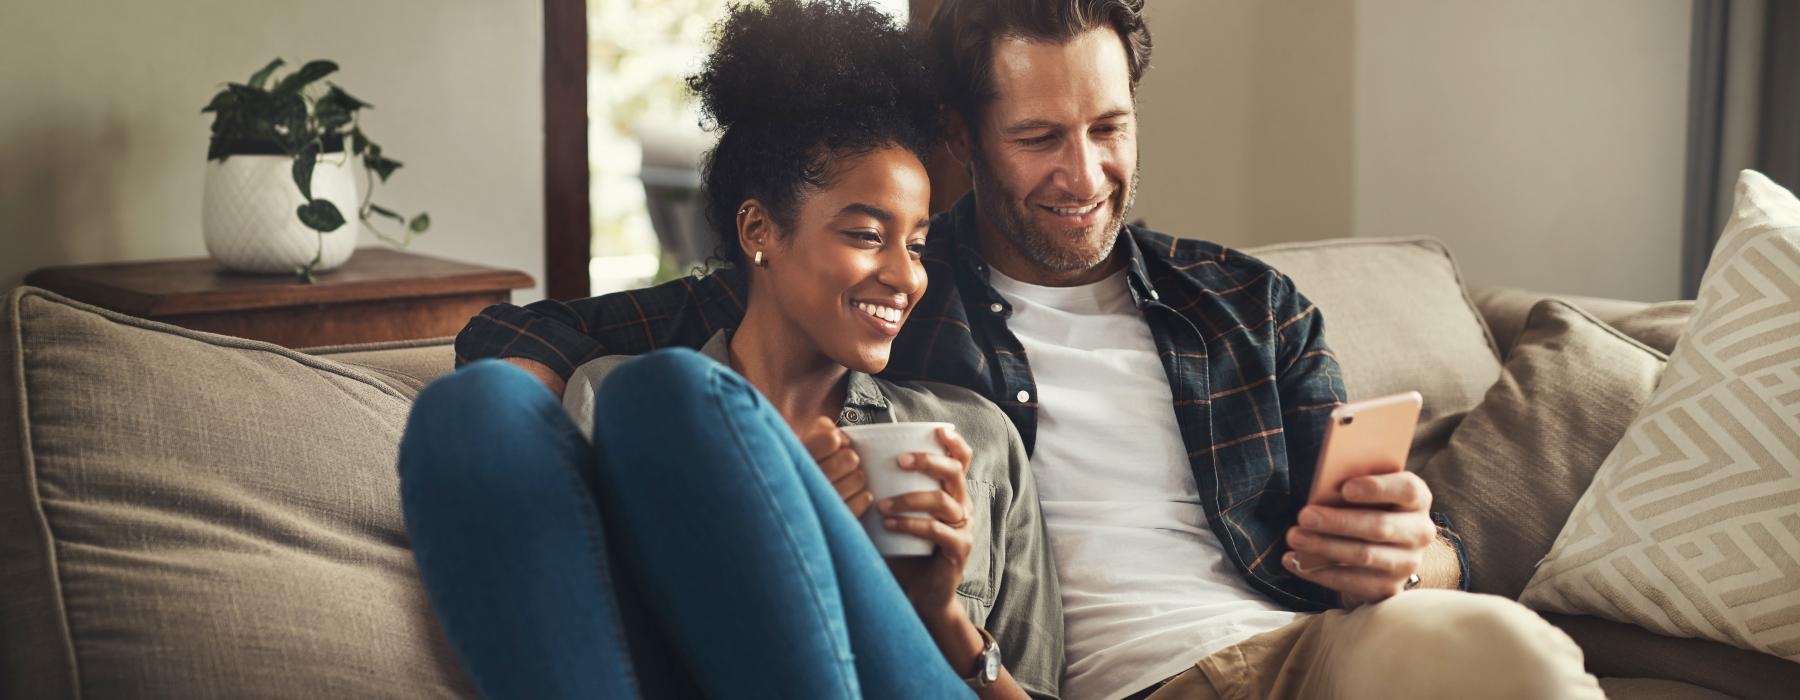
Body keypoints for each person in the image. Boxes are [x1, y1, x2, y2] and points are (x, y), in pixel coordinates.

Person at [460, 1, 1606, 698]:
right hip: (1141, 684)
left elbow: (1417, 537)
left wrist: (1417, 554)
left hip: (1318, 651)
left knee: (1519, 660)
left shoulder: (1247, 304)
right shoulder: (891, 290)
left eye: (1109, 129)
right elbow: (558, 338)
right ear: (965, 139)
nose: (1086, 171)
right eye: (1041, 137)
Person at [402, 1, 1061, 698]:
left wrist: (939, 615)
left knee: (671, 395)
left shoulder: (976, 439)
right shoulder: (610, 396)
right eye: (867, 236)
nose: (906, 276)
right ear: (759, 230)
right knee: (471, 408)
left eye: (918, 245)